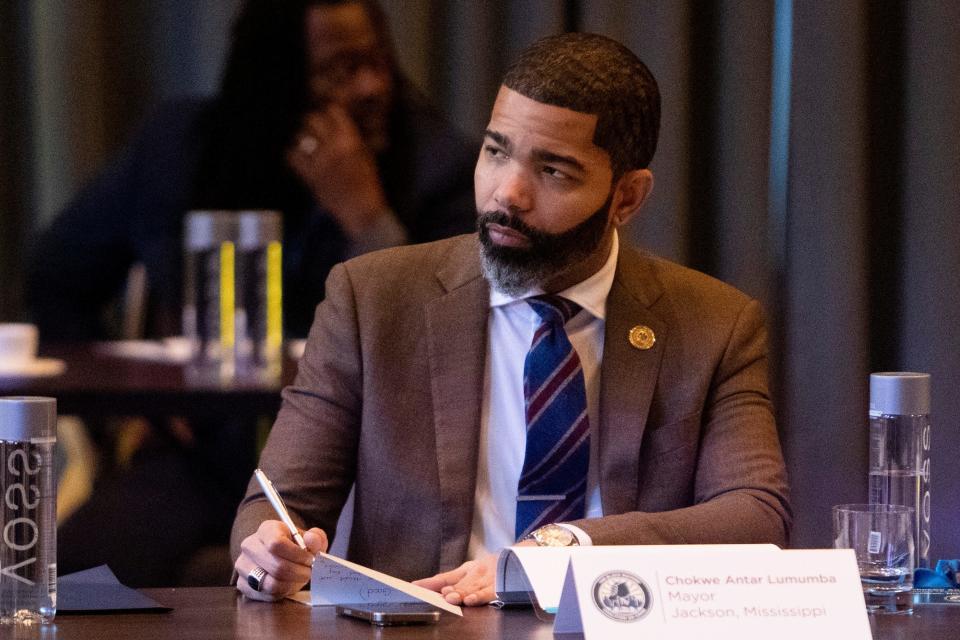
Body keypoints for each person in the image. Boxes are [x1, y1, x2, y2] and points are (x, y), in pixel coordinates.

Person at [231, 32, 791, 606]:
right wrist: (268, 552)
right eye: (496, 152)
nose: (508, 193)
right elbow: (276, 503)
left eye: (554, 172)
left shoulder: (715, 323)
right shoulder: (372, 299)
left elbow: (755, 513)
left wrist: (564, 548)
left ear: (626, 197)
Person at [29, 0, 476, 587]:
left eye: (377, 62)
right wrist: (134, 406)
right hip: (204, 453)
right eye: (340, 70)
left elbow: (438, 339)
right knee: (48, 582)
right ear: (278, 78)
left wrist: (365, 216)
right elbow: (55, 275)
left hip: (361, 469)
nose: (370, 86)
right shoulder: (182, 148)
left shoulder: (441, 165)